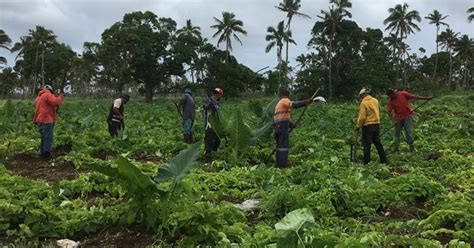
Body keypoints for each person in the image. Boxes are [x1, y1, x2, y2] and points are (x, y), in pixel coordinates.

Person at [273, 89, 312, 168]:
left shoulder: (278, 104)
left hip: (277, 127)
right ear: (287, 95)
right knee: (284, 146)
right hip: (282, 127)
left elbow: (281, 117)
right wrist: (305, 102)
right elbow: (294, 105)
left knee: (279, 146)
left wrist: (291, 124)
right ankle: (283, 166)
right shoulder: (284, 100)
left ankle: (278, 164)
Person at [386, 88, 433, 152]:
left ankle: (411, 147)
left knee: (408, 132)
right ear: (390, 96)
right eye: (391, 95)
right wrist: (393, 121)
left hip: (407, 116)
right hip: (398, 119)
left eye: (394, 93)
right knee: (397, 134)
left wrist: (426, 98)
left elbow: (415, 97)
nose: (394, 95)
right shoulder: (391, 101)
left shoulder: (403, 94)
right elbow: (389, 112)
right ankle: (396, 147)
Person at [355, 88, 388, 164]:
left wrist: (358, 126)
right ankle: (384, 160)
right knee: (377, 143)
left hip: (368, 125)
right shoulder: (375, 100)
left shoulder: (364, 103)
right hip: (376, 124)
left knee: (366, 144)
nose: (361, 98)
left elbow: (362, 117)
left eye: (361, 96)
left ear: (363, 95)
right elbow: (378, 110)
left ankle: (366, 162)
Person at [33, 85, 65, 160]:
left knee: (43, 138)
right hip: (46, 120)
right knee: (48, 138)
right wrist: (61, 96)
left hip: (39, 120)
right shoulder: (47, 94)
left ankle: (42, 153)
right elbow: (56, 102)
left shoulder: (38, 97)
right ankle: (46, 155)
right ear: (50, 90)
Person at [203, 88, 224, 162]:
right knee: (209, 140)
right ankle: (207, 156)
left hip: (216, 125)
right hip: (209, 125)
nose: (216, 95)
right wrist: (210, 103)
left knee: (217, 140)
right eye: (215, 93)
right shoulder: (208, 100)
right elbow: (206, 108)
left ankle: (214, 154)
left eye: (218, 93)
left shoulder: (217, 103)